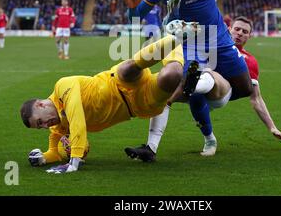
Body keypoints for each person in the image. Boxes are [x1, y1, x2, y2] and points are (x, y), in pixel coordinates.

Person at [123, 0, 253, 157]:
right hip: (190, 43)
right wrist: (132, 7)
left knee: (245, 88)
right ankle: (157, 146)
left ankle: (206, 90)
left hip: (219, 37)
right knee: (185, 89)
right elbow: (135, 17)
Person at [20, 22, 198, 173]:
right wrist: (42, 158)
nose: (45, 126)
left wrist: (74, 160)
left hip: (118, 82)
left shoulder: (62, 86)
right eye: (40, 127)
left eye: (40, 122)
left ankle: (177, 38)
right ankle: (174, 39)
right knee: (172, 74)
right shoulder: (58, 128)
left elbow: (76, 116)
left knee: (128, 68)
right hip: (138, 105)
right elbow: (55, 152)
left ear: (41, 105)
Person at [125, 16, 281, 162]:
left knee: (206, 73)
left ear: (250, 36)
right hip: (196, 91)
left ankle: (191, 84)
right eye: (237, 29)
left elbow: (256, 98)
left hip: (222, 92)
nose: (240, 33)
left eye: (245, 31)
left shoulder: (248, 61)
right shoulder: (208, 44)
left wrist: (272, 127)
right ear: (228, 29)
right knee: (165, 94)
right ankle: (151, 148)